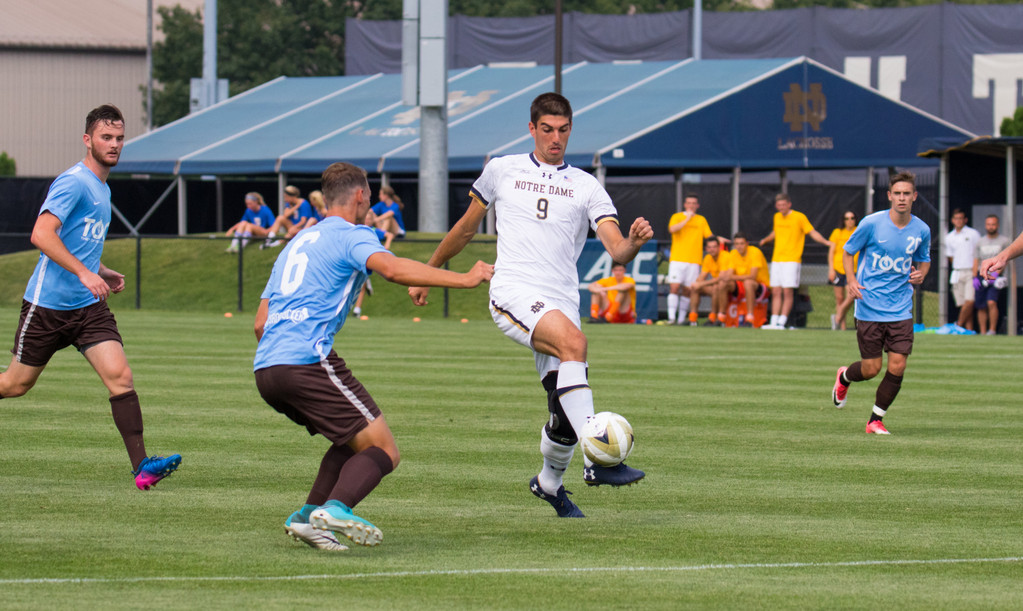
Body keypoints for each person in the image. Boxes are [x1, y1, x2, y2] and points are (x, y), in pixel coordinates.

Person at [408, 92, 654, 518]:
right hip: (514, 290)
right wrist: (428, 270)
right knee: (575, 344)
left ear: (570, 130)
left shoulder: (586, 185)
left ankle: (548, 482)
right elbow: (466, 229)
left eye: (562, 130)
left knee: (563, 408)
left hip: (560, 300)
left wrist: (631, 242)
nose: (555, 138)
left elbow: (616, 249)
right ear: (532, 129)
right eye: (546, 129)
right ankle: (597, 463)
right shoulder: (503, 169)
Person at [253, 161, 493, 550]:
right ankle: (335, 509)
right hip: (306, 360)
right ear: (362, 195)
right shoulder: (353, 235)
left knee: (351, 441)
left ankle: (307, 517)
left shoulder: (296, 242)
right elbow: (393, 269)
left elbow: (260, 323)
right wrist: (465, 278)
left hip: (266, 368)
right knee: (384, 449)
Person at [0, 104, 181, 489]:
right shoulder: (74, 182)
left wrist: (100, 269)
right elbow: (41, 234)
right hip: (47, 307)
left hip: (87, 308)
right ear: (88, 140)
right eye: (106, 138)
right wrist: (84, 272)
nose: (114, 145)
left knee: (121, 377)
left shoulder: (101, 186)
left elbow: (78, 243)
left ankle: (143, 468)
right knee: (15, 385)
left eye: (119, 138)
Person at [831, 171, 931, 435]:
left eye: (906, 194)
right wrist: (851, 280)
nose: (901, 198)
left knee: (898, 365)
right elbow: (848, 252)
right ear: (889, 196)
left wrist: (922, 273)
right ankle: (844, 377)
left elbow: (924, 258)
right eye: (897, 193)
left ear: (914, 197)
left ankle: (875, 420)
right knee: (871, 368)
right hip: (869, 307)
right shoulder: (871, 224)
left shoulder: (922, 229)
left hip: (900, 308)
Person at [758, 193, 832, 329]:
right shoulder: (777, 217)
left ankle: (782, 321)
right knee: (775, 291)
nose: (781, 207)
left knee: (787, 291)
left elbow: (811, 232)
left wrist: (826, 242)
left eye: (783, 205)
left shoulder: (799, 217)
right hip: (777, 259)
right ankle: (773, 322)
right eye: (779, 205)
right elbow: (775, 232)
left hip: (792, 260)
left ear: (789, 204)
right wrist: (766, 240)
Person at [666, 193, 713, 325]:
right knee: (674, 287)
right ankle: (671, 318)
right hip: (677, 259)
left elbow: (709, 236)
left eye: (694, 203)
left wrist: (719, 239)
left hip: (694, 260)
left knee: (688, 290)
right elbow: (672, 229)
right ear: (685, 204)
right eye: (689, 203)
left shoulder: (701, 220)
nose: (691, 206)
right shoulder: (677, 217)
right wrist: (687, 219)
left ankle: (681, 319)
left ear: (697, 205)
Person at [714, 232, 770, 328]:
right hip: (742, 286)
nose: (739, 247)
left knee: (748, 283)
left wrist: (731, 277)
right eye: (737, 244)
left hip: (761, 287)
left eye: (742, 243)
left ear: (747, 244)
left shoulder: (755, 252)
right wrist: (729, 277)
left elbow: (752, 276)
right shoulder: (733, 254)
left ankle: (749, 318)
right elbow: (728, 275)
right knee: (722, 284)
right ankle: (721, 317)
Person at [972, 214, 1011, 335]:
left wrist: (995, 275)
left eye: (993, 224)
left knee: (991, 302)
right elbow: (976, 260)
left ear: (997, 225)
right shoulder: (980, 242)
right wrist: (975, 277)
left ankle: (992, 330)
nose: (991, 226)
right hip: (981, 274)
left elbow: (1005, 260)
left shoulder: (1004, 241)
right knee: (980, 305)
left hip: (996, 276)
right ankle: (983, 332)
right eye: (989, 224)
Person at [946, 208, 980, 331]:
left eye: (961, 218)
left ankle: (958, 326)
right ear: (952, 220)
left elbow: (978, 253)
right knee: (963, 304)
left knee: (969, 301)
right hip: (957, 272)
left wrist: (976, 272)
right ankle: (968, 331)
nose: (959, 221)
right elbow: (950, 256)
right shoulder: (949, 237)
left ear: (965, 220)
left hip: (971, 271)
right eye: (956, 218)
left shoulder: (973, 234)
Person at [827, 211, 859, 331]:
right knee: (839, 298)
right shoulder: (837, 232)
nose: (849, 221)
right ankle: (842, 327)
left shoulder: (858, 231)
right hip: (838, 268)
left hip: (852, 269)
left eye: (852, 218)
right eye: (847, 218)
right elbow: (831, 252)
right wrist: (831, 269)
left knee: (851, 296)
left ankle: (838, 316)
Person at [690, 237, 726, 326]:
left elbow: (721, 278)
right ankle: (693, 320)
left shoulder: (725, 256)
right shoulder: (707, 258)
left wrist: (701, 284)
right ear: (706, 249)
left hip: (726, 285)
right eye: (709, 247)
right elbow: (702, 275)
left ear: (719, 247)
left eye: (714, 247)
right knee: (696, 288)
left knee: (717, 286)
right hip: (717, 286)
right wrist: (696, 284)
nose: (712, 249)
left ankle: (713, 318)